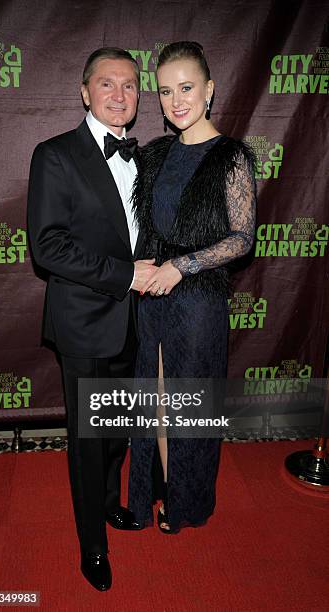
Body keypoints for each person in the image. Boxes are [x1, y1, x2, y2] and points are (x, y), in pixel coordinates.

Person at [27, 47, 157, 592]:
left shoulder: (144, 157)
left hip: (135, 321)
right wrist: (125, 275)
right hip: (84, 322)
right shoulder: (54, 154)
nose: (119, 95)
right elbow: (48, 246)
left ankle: (108, 506)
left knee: (118, 430)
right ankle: (92, 546)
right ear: (85, 91)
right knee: (86, 438)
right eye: (108, 84)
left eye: (129, 86)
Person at [128, 41, 256, 534]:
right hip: (155, 297)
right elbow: (151, 228)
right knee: (156, 400)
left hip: (198, 302)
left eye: (186, 87)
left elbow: (242, 239)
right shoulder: (156, 154)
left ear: (209, 89)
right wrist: (145, 261)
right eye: (164, 91)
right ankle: (159, 492)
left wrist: (182, 266)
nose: (175, 100)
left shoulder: (231, 157)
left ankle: (186, 501)